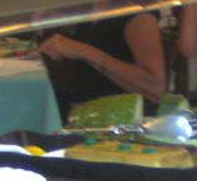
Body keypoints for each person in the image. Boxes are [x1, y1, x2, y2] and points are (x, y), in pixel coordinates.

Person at [39, 11, 167, 116]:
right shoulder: (92, 5)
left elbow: (154, 87)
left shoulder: (136, 12)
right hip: (82, 109)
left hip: (118, 117)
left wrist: (82, 50)